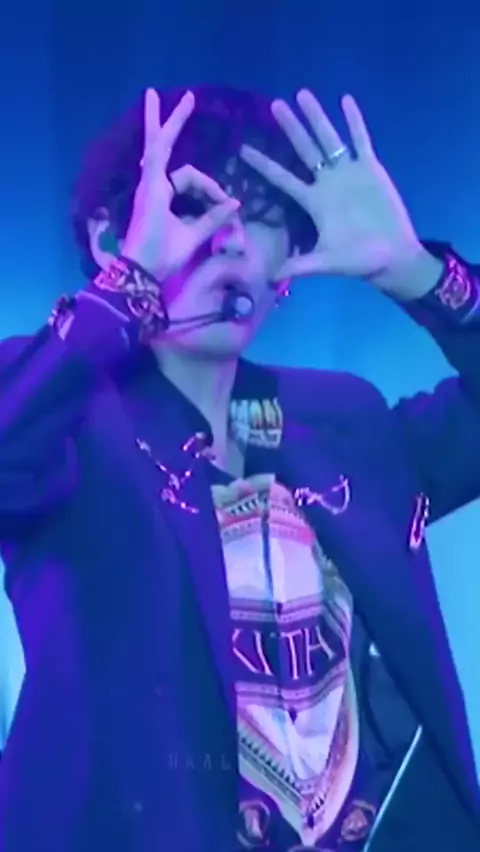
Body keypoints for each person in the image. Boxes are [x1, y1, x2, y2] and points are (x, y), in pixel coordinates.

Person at [0, 84, 479, 852]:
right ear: (111, 237)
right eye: (194, 208)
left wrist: (422, 275)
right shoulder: (59, 408)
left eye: (259, 214)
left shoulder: (343, 420)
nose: (229, 239)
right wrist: (126, 289)